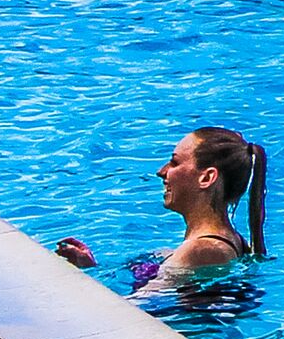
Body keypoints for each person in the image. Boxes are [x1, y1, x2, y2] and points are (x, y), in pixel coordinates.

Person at [54, 125, 266, 296]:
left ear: (206, 178)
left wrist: (82, 280)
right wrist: (90, 268)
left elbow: (131, 312)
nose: (161, 172)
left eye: (174, 162)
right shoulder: (230, 241)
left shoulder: (202, 250)